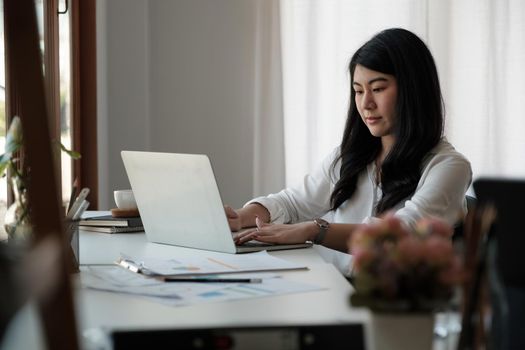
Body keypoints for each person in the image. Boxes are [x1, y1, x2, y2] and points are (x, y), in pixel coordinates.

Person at [225, 28, 472, 274]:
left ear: (413, 90)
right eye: (358, 90)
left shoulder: (448, 166)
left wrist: (316, 230)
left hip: (393, 306)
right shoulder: (350, 156)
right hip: (331, 291)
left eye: (377, 89)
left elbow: (401, 234)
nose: (366, 104)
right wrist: (242, 216)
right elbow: (294, 203)